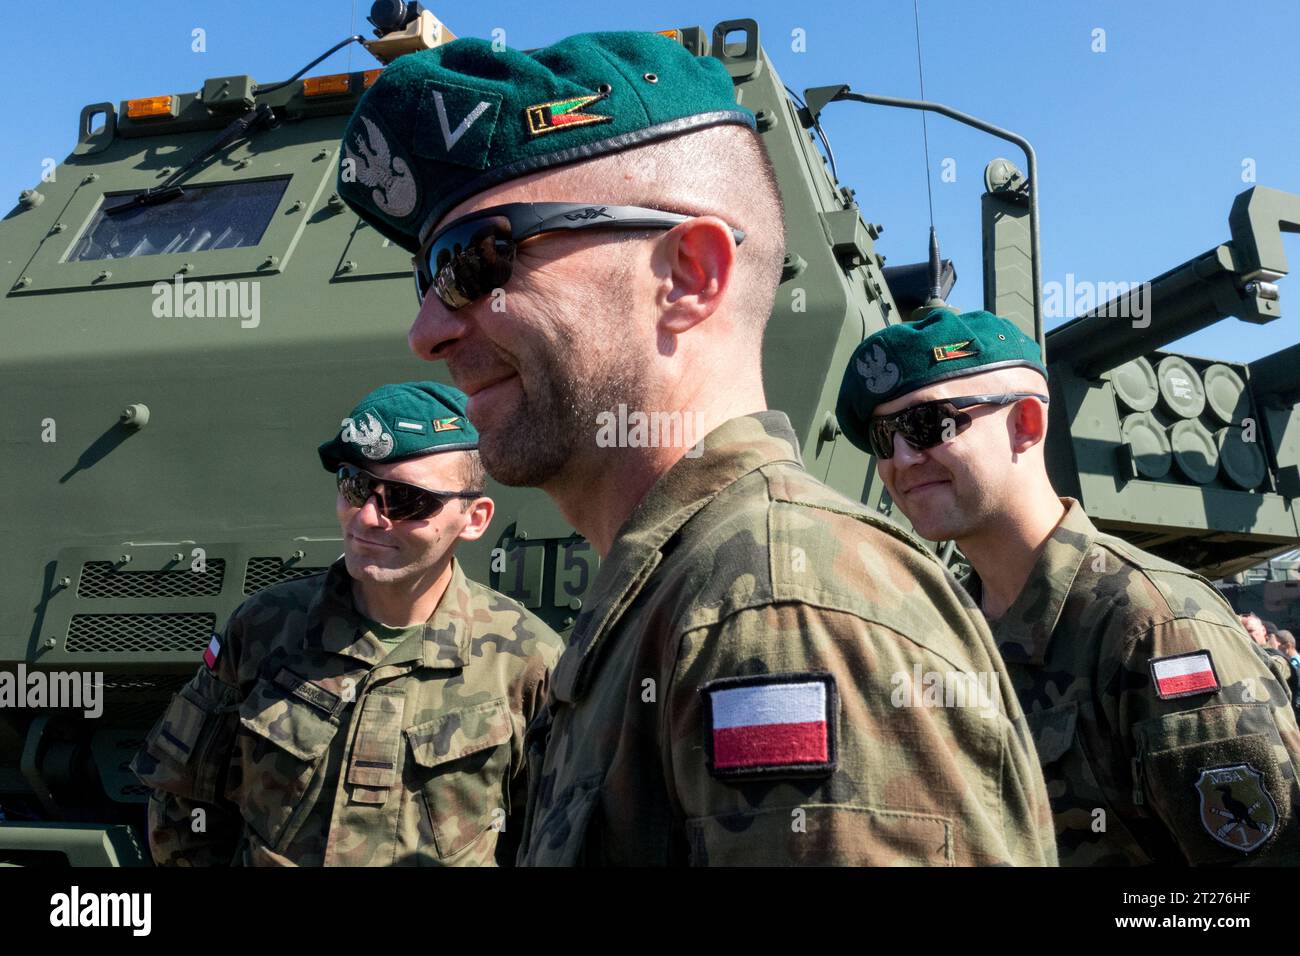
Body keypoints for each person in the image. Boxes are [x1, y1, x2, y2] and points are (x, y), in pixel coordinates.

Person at [338, 31, 1057, 865]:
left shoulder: (782, 621)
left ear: (688, 275)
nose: (426, 330)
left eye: (476, 260)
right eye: (426, 276)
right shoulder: (675, 599)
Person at [835, 307, 1300, 865]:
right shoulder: (938, 624)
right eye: (882, 438)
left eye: (928, 425)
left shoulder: (1157, 628)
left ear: (1026, 423)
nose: (901, 459)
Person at [132, 382, 562, 865]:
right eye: (354, 485)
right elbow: (185, 799)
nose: (369, 517)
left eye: (406, 499)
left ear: (474, 518)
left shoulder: (524, 658)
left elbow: (551, 835)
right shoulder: (264, 629)